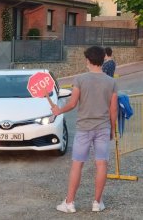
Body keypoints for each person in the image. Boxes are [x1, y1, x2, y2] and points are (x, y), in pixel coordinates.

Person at [51, 46, 118, 213]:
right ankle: (97, 203)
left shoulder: (80, 79)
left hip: (83, 129)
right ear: (103, 60)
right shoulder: (112, 82)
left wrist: (58, 110)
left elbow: (72, 104)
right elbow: (114, 109)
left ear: (88, 60)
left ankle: (70, 203)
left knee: (77, 165)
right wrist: (112, 129)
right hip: (103, 128)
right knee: (101, 164)